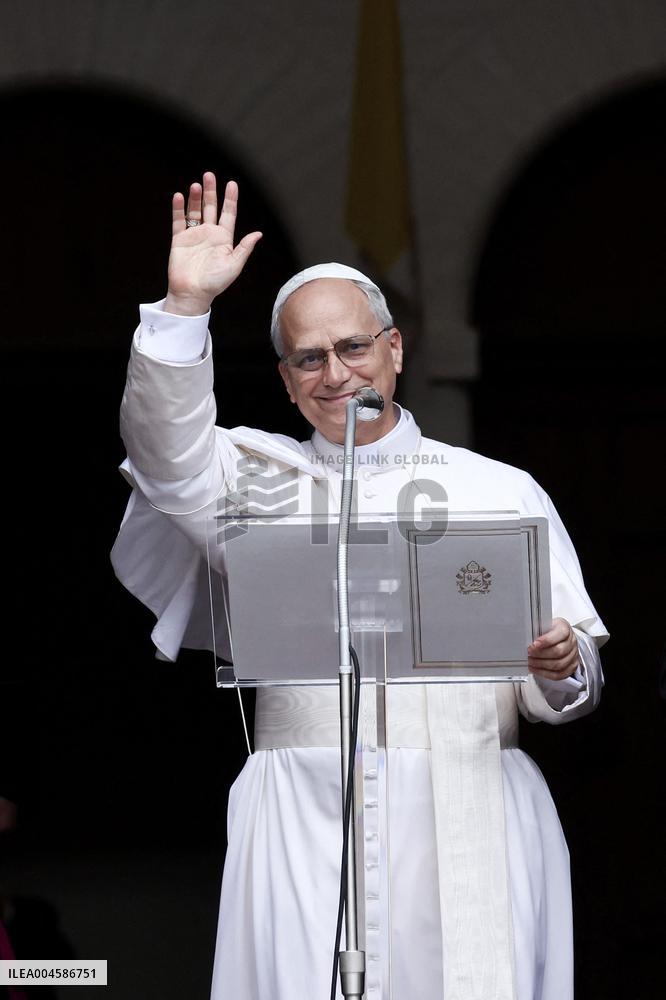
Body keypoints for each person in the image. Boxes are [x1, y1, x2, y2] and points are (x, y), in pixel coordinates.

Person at [111, 173, 607, 1000]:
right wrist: (184, 308)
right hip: (304, 818)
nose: (335, 373)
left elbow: (572, 675)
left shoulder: (497, 488)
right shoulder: (251, 482)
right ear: (285, 378)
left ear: (395, 348)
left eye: (353, 347)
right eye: (309, 357)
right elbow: (164, 451)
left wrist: (561, 665)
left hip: (471, 807)